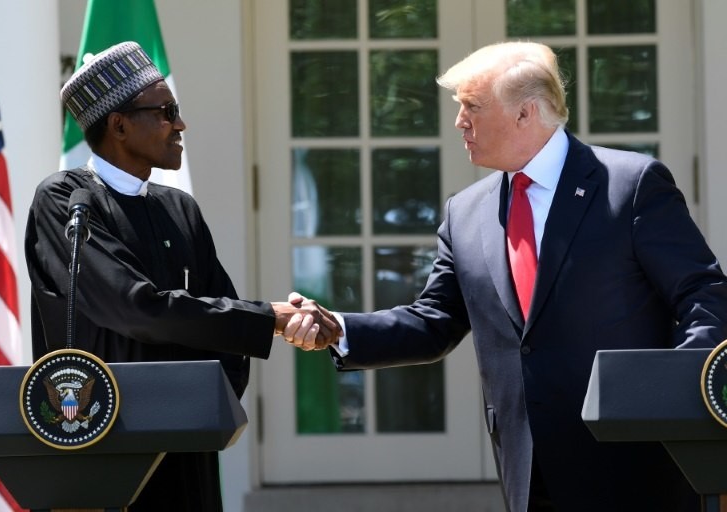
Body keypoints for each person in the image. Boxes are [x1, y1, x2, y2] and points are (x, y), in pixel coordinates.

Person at [283, 41, 727, 512]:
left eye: (472, 106)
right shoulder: (465, 213)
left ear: (525, 113)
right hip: (527, 468)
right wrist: (339, 328)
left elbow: (703, 294)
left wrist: (679, 394)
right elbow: (434, 321)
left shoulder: (630, 184)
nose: (459, 121)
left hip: (634, 463)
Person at [24, 41, 337, 511]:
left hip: (185, 447)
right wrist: (269, 317)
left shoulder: (178, 208)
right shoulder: (66, 201)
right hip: (102, 444)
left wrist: (201, 409)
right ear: (119, 125)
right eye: (166, 112)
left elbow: (225, 326)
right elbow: (132, 306)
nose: (181, 124)